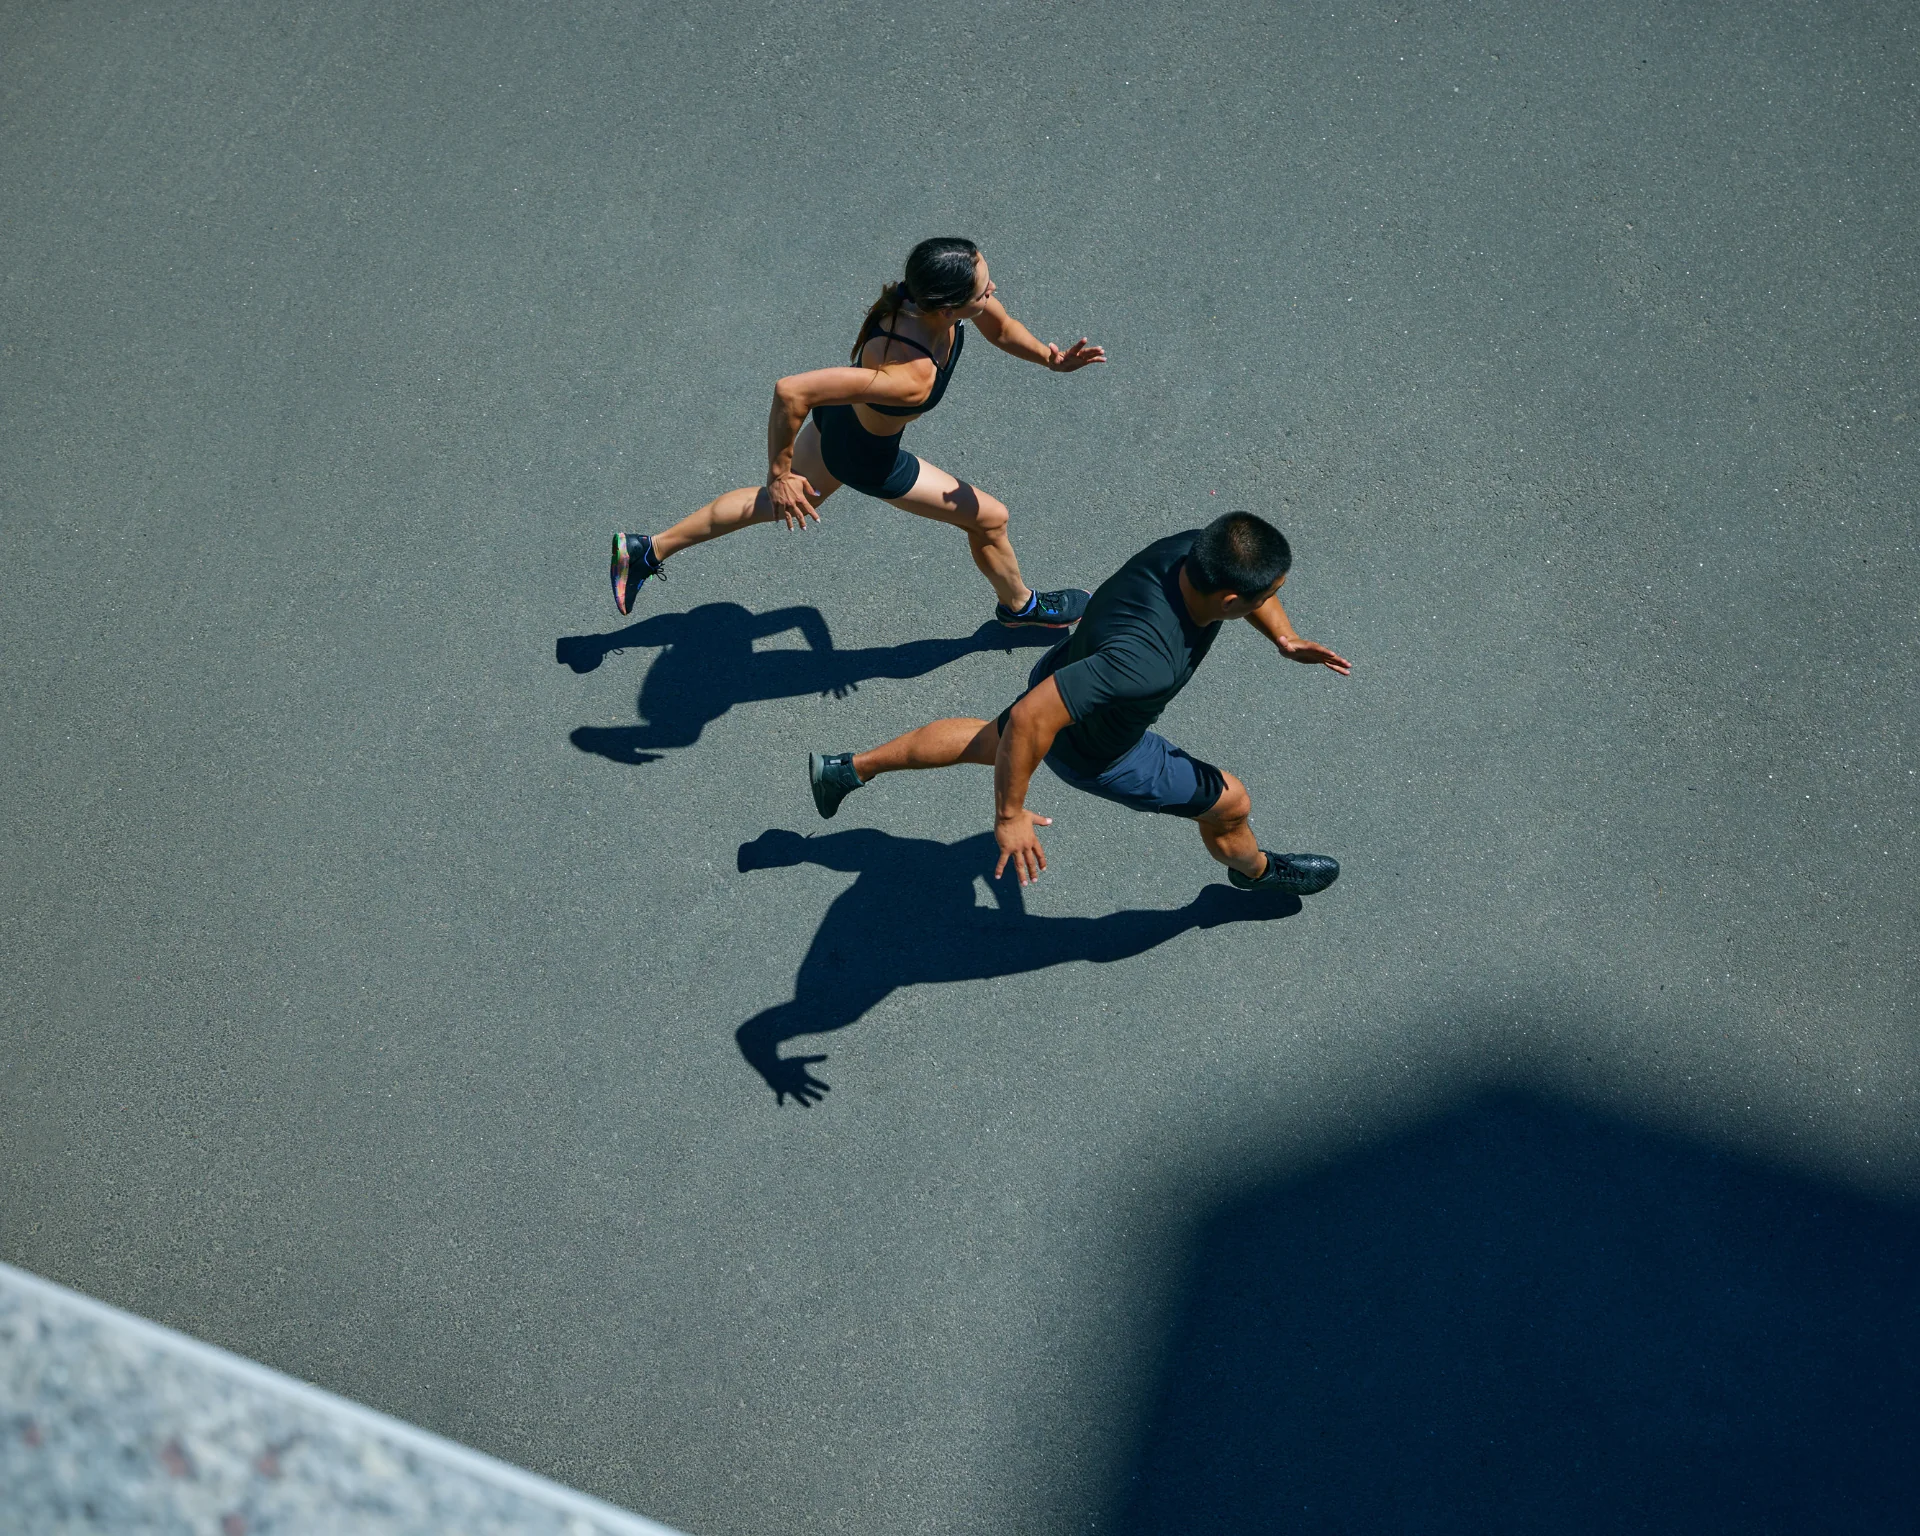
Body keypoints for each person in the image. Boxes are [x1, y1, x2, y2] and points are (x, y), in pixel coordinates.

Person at [806, 511, 1350, 894]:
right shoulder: (1145, 659)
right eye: (1267, 598)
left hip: (1065, 671)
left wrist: (1284, 638)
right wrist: (1009, 815)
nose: (1271, 602)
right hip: (1102, 751)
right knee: (1231, 805)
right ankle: (1257, 873)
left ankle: (847, 770)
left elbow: (1247, 586)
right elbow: (1031, 719)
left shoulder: (1192, 551)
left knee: (990, 741)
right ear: (1231, 600)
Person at [609, 237, 1106, 628]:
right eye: (982, 291)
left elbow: (1000, 327)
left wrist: (1050, 359)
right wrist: (780, 473)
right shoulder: (912, 377)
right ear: (947, 308)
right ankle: (1019, 606)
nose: (992, 290)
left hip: (841, 420)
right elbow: (791, 391)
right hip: (867, 457)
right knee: (991, 520)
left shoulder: (917, 296)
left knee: (770, 504)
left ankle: (646, 550)